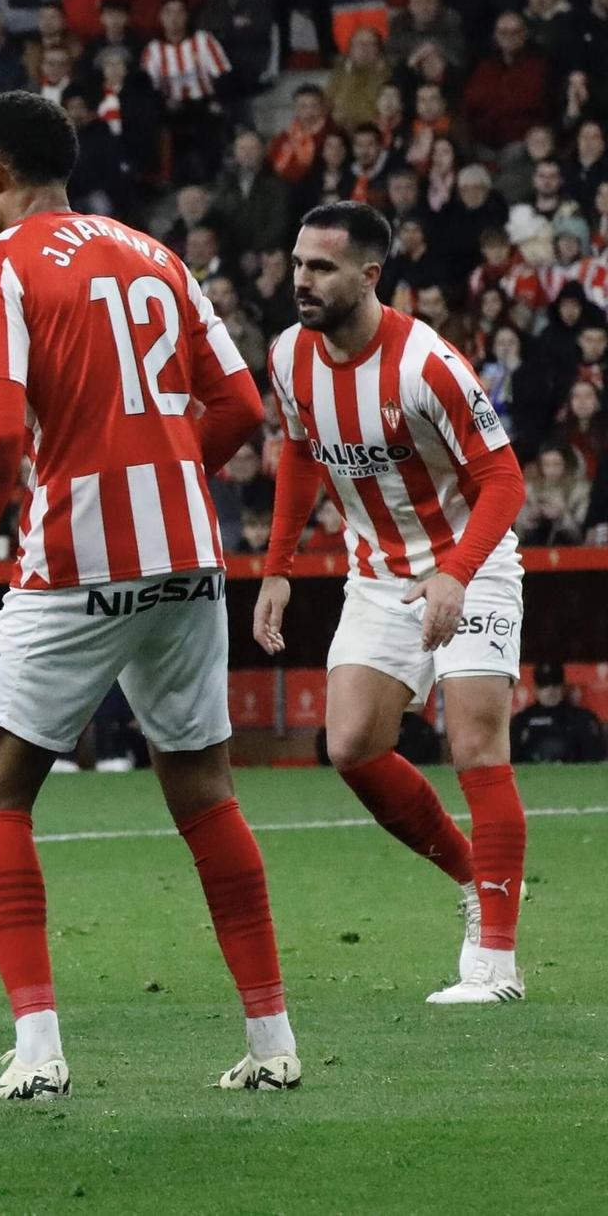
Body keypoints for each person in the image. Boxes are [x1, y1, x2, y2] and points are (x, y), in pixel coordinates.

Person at [0, 93, 293, 1100]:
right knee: (203, 792)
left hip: (76, 558)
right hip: (186, 551)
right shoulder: (154, 255)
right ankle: (271, 1038)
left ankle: (38, 1049)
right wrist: (169, 468)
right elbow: (239, 407)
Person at [259, 201, 533, 1007]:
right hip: (378, 575)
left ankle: (497, 962)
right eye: (297, 263)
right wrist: (277, 566)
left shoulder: (427, 364)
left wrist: (455, 573)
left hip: (470, 564)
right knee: (351, 747)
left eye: (321, 268)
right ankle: (477, 880)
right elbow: (301, 451)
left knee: (477, 745)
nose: (300, 281)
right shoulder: (287, 356)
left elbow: (504, 480)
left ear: (369, 276)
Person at [511, 661, 606, 763]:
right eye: (544, 684)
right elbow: (512, 759)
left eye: (555, 683)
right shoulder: (521, 720)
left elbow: (595, 759)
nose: (550, 689)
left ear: (563, 687)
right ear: (535, 689)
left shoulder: (582, 718)